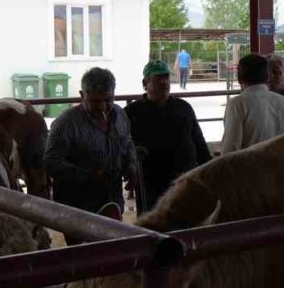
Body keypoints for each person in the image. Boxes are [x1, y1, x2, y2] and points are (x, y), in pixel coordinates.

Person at [44, 68, 136, 221]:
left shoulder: (120, 114)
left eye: (108, 100)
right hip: (77, 207)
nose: (102, 107)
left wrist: (131, 165)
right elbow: (50, 162)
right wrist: (89, 175)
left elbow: (127, 142)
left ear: (114, 94)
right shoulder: (66, 123)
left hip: (112, 200)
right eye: (95, 101)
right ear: (82, 95)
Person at [124, 60, 211, 212]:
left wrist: (208, 169)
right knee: (153, 225)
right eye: (158, 78)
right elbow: (122, 146)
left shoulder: (183, 107)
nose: (164, 82)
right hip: (150, 183)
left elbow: (199, 142)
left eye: (166, 78)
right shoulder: (131, 113)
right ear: (145, 83)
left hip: (184, 180)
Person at [222, 54, 284, 153]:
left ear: (239, 78)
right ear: (267, 77)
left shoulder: (237, 104)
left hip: (253, 166)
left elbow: (229, 151)